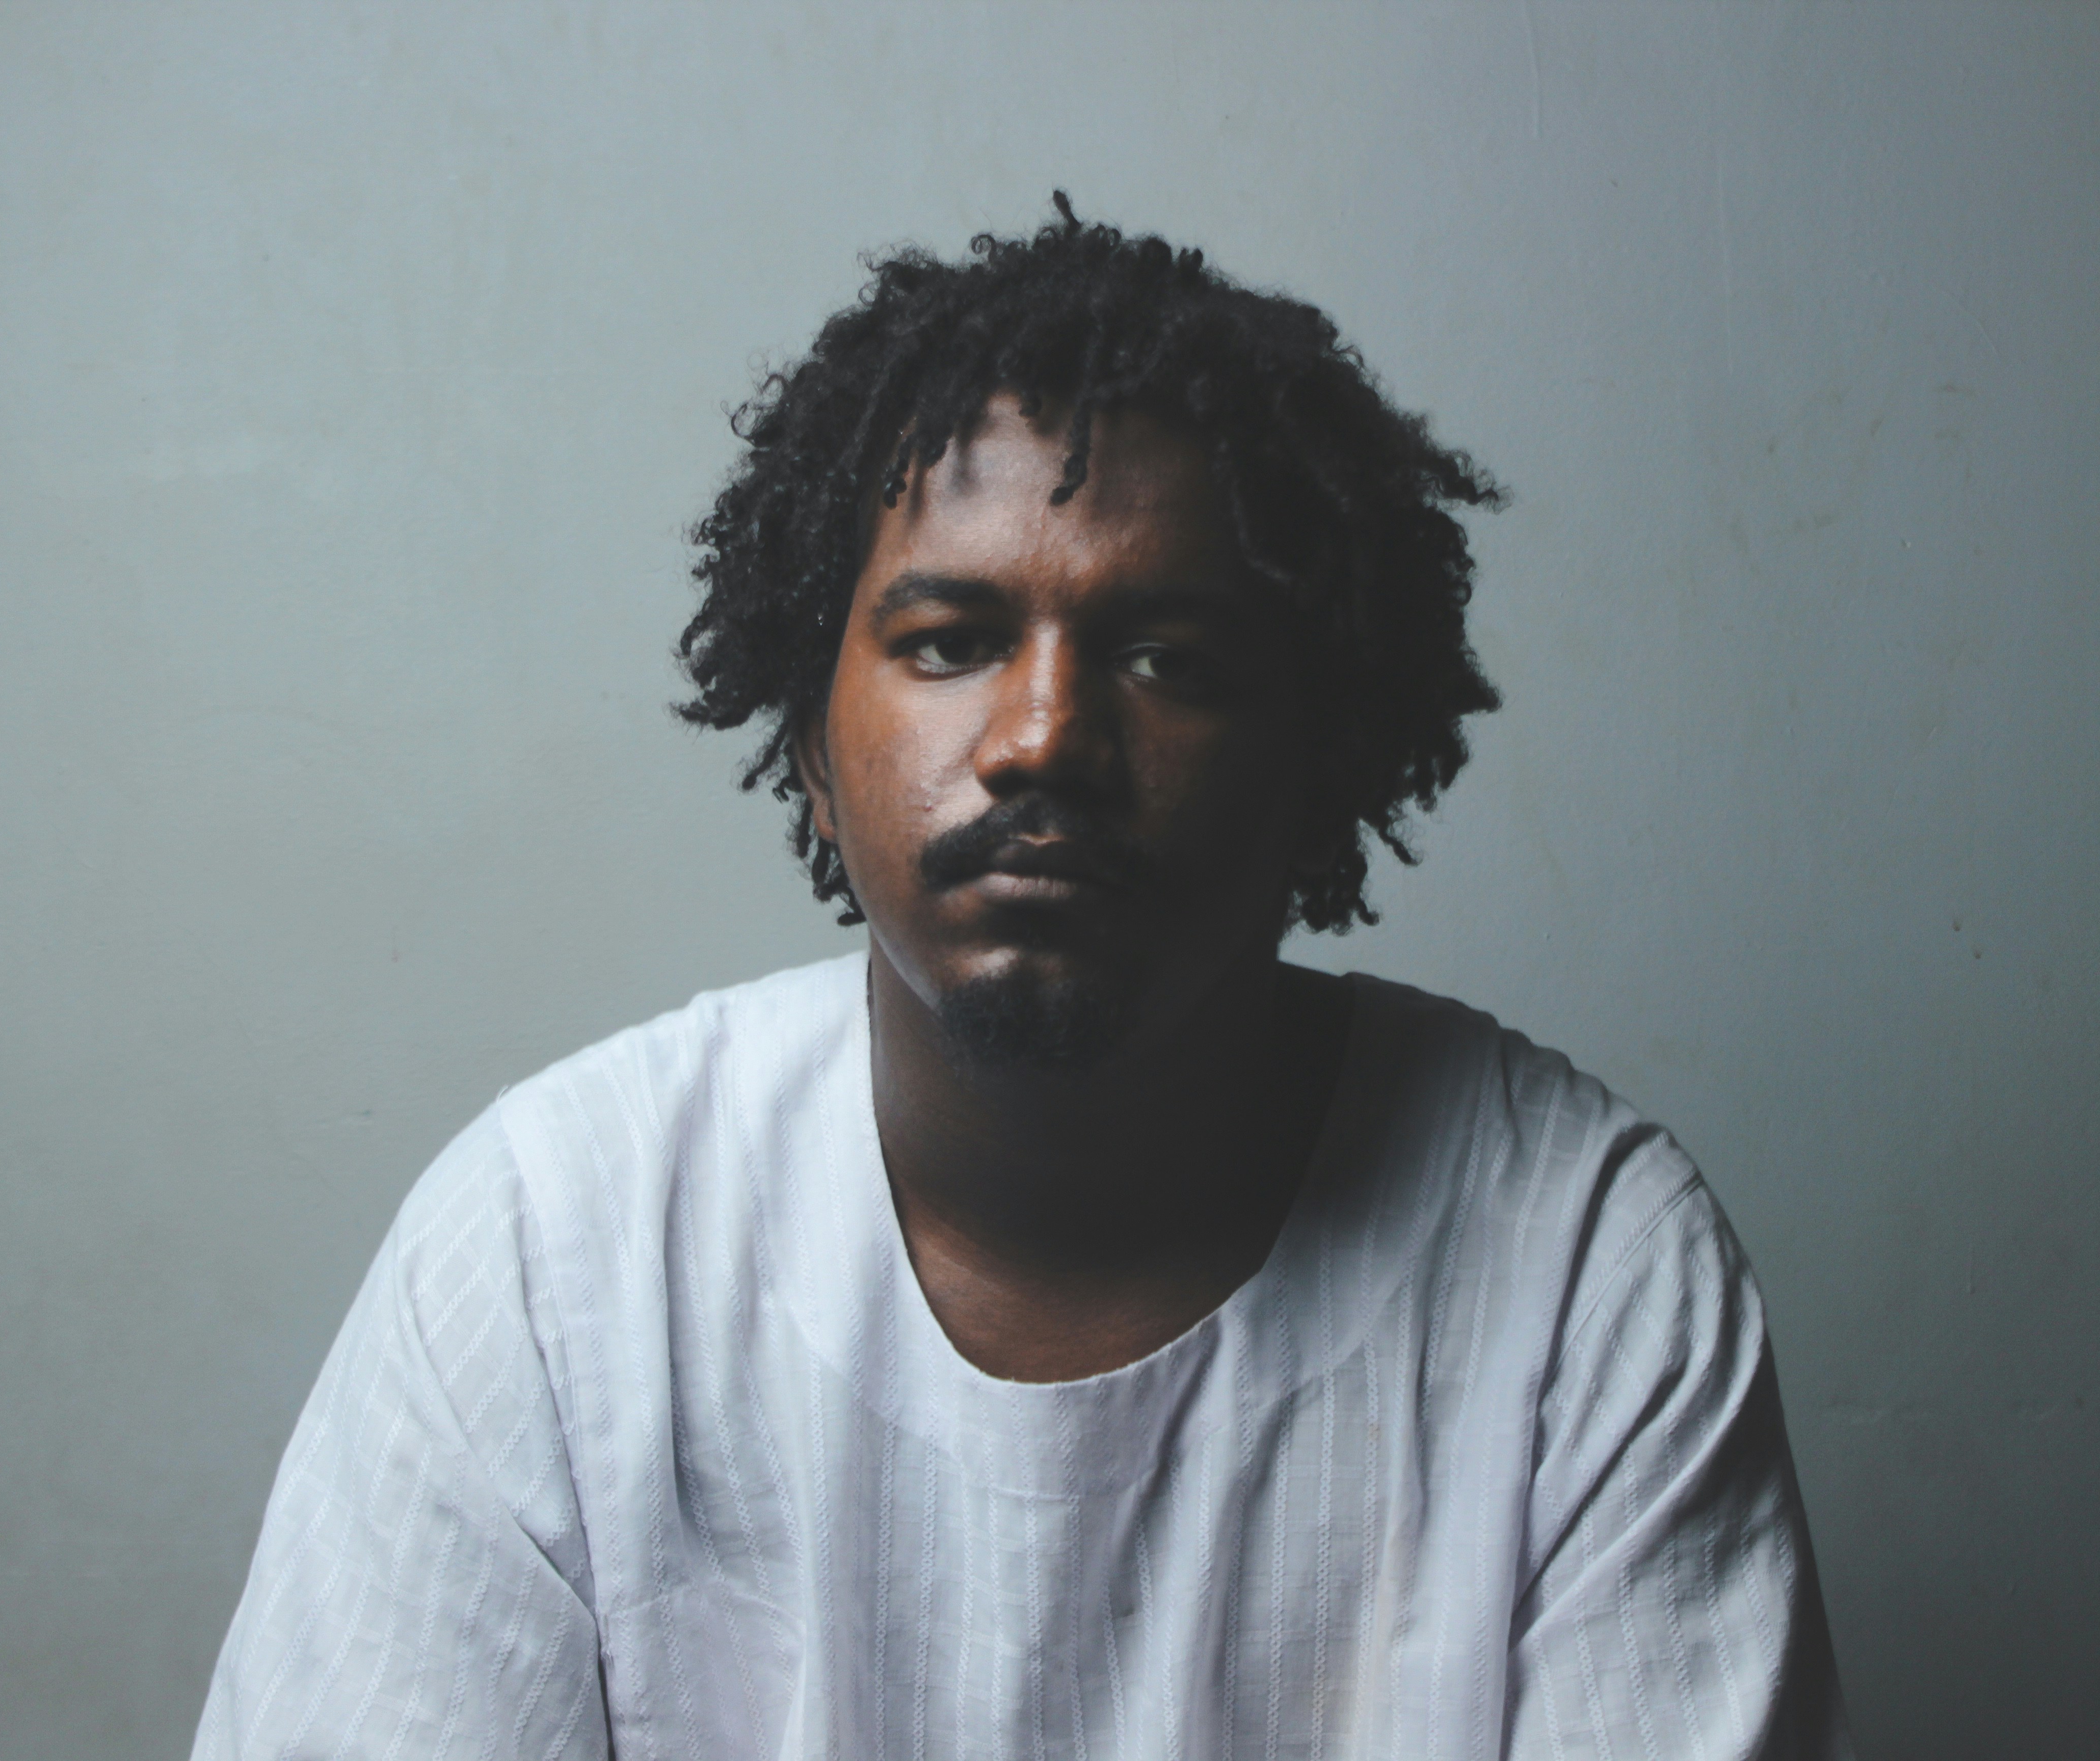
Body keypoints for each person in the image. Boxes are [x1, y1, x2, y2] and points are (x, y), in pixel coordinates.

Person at [192, 196, 1850, 1759]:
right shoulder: (551, 1255)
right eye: (948, 642)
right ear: (813, 750)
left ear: (1322, 759)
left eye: (1169, 659)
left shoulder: (1584, 1269)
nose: (1046, 736)